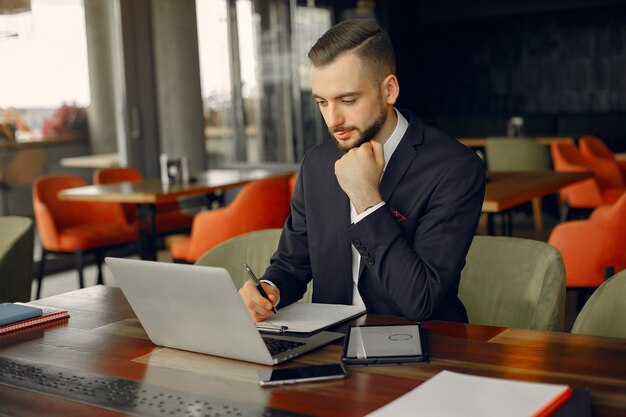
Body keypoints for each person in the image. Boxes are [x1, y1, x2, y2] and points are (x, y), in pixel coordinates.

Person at [239, 19, 485, 323]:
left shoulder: (455, 169)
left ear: (390, 90)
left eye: (348, 100)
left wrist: (367, 199)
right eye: (322, 103)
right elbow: (291, 264)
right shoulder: (316, 163)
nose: (332, 120)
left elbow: (419, 301)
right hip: (329, 345)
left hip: (422, 349)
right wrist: (267, 289)